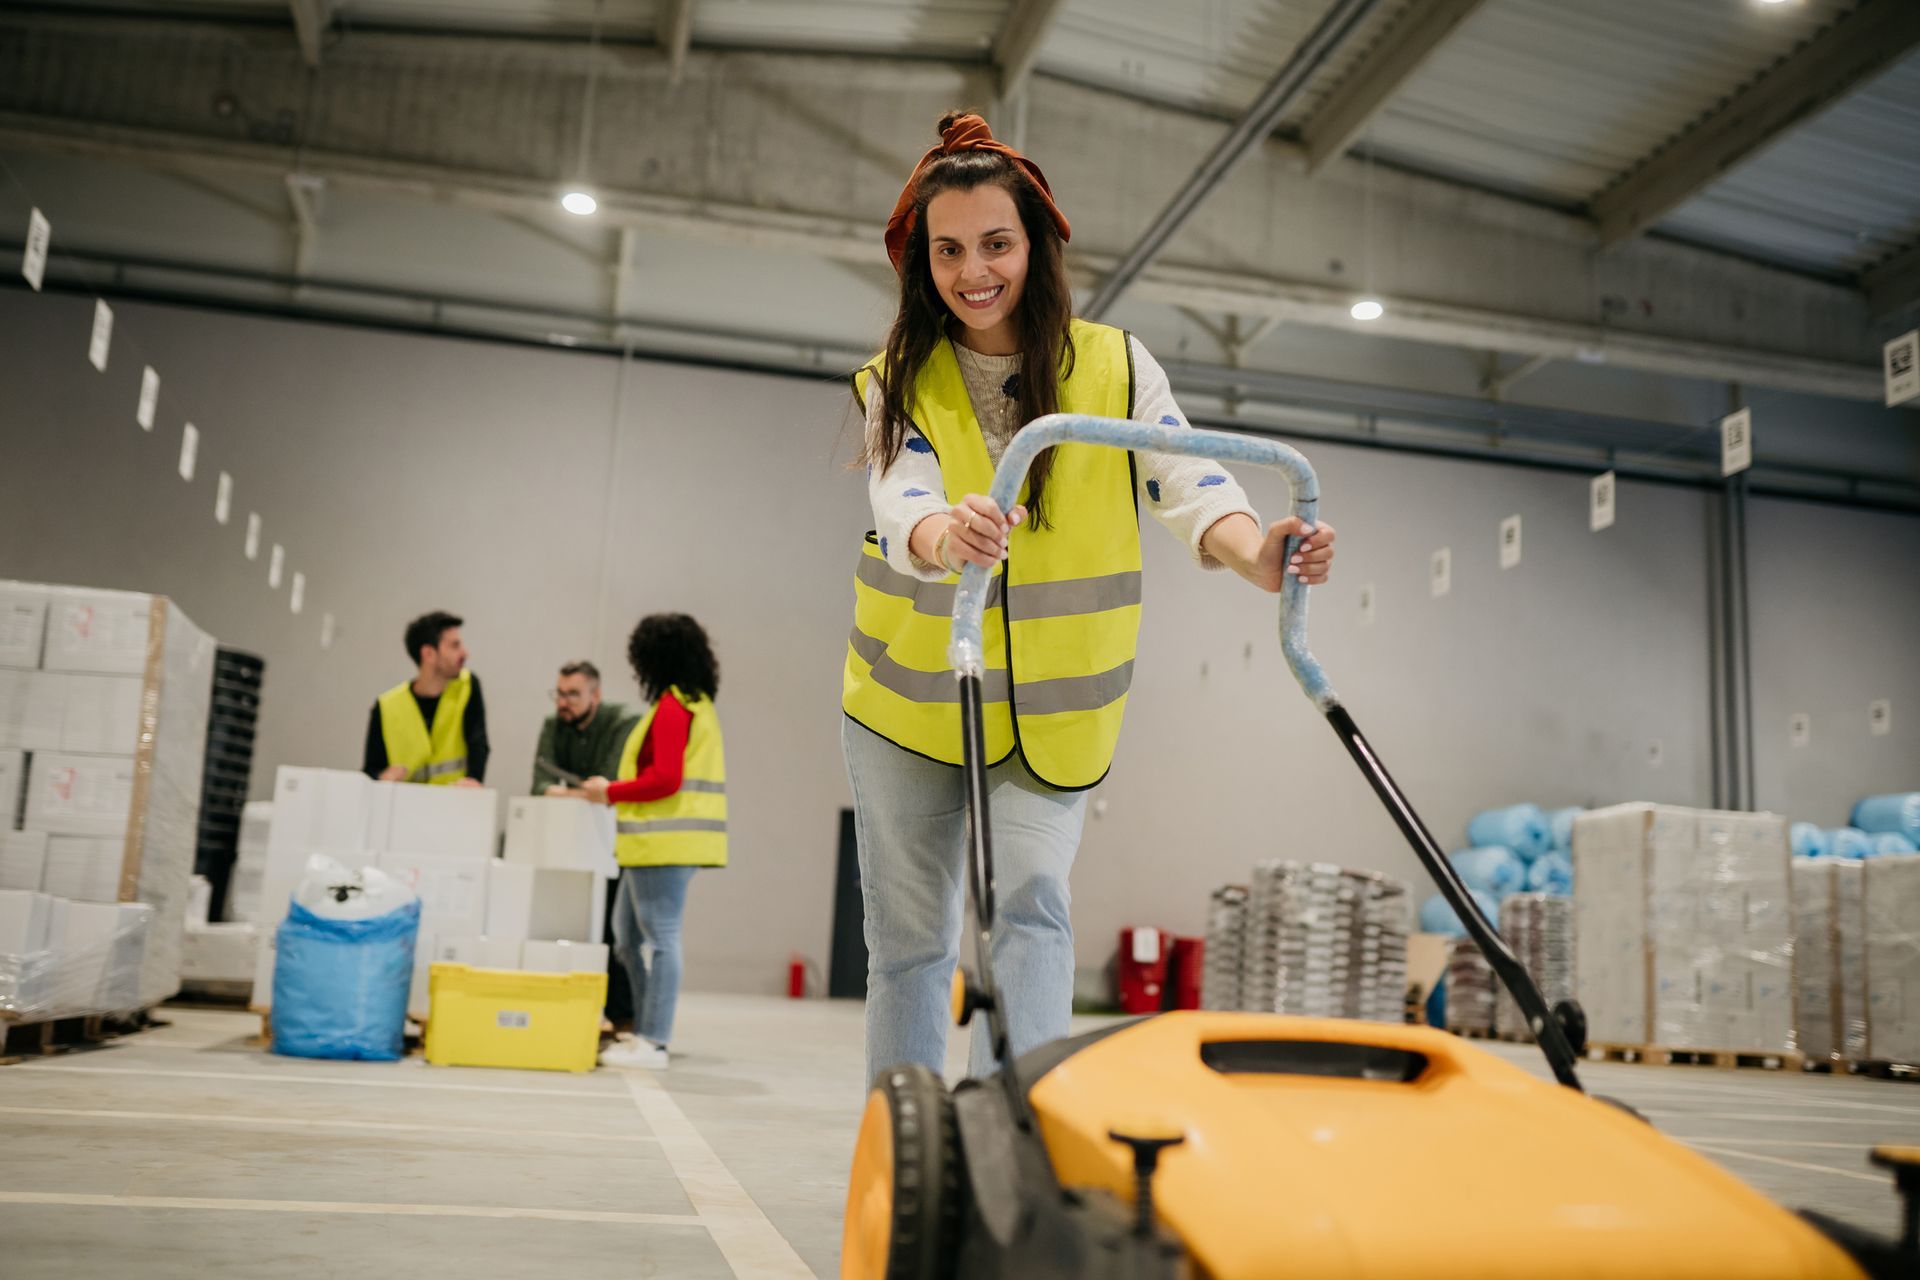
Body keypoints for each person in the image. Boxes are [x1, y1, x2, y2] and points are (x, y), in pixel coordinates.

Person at [844, 111, 1336, 1084]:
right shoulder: (897, 375)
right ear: (922, 260)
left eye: (996, 243)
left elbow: (1191, 482)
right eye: (948, 250)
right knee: (910, 943)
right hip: (905, 703)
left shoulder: (1113, 366)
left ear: (1036, 244)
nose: (973, 269)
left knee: (1030, 904)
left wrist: (1258, 555)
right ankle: (899, 1155)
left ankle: (1018, 1138)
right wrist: (951, 535)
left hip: (1057, 716)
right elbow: (902, 501)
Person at [567, 614, 726, 1070]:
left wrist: (609, 792)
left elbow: (665, 780)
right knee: (626, 938)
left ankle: (653, 1040)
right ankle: (642, 1031)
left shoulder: (675, 707)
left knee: (661, 940)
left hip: (664, 846)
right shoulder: (690, 704)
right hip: (652, 846)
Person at [531, 659, 640, 1031]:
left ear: (597, 694)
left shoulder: (623, 721)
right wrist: (585, 793)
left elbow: (610, 787)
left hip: (617, 842)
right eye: (559, 694)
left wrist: (570, 792)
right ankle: (571, 1010)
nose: (564, 702)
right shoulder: (553, 725)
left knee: (615, 928)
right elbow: (539, 787)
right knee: (564, 923)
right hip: (565, 844)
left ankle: (625, 1017)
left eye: (573, 694)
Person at [363, 610, 489, 787]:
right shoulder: (386, 706)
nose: (465, 653)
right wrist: (383, 777)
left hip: (453, 803)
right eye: (455, 646)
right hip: (406, 807)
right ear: (429, 654)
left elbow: (478, 744)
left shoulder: (467, 686)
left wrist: (474, 780)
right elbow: (371, 771)